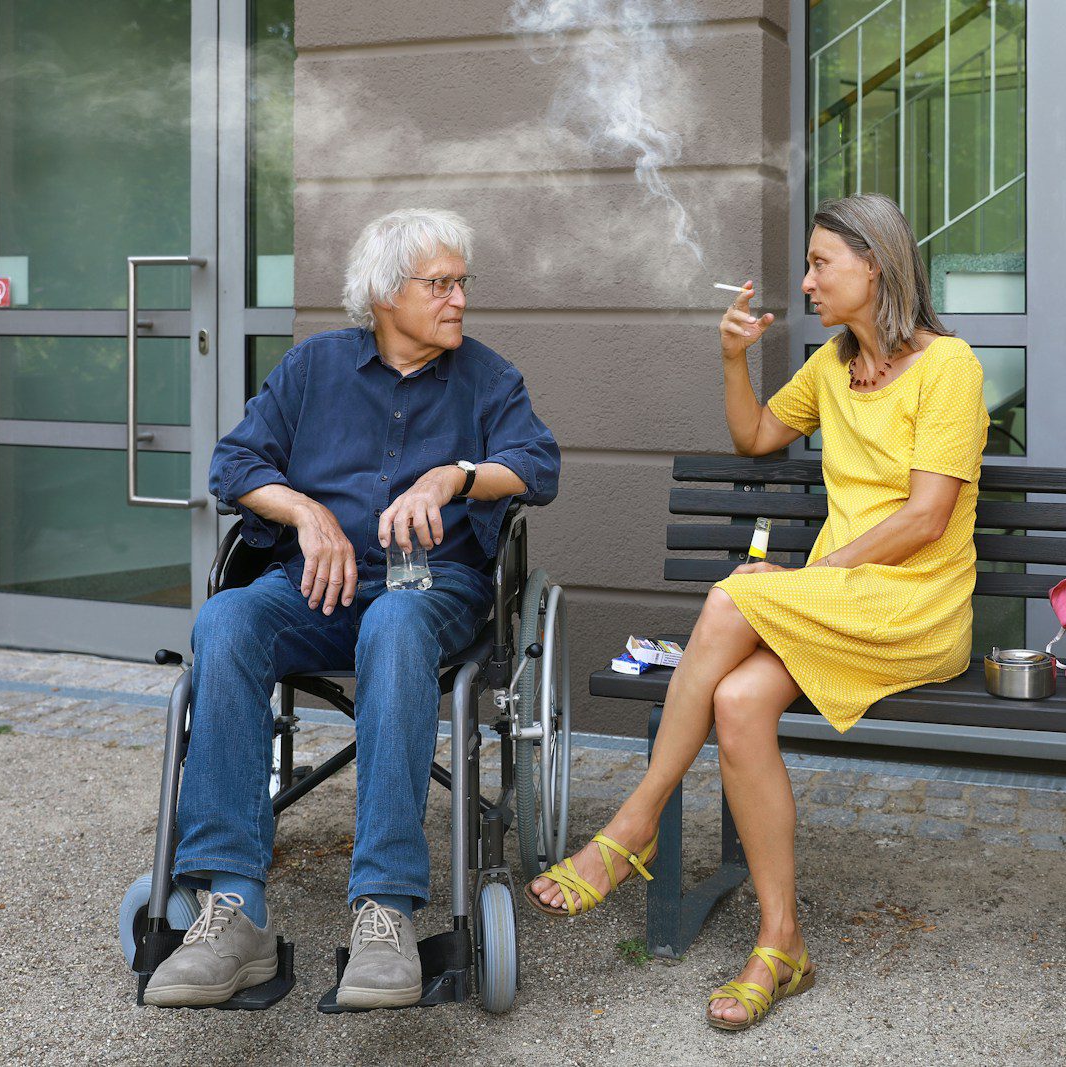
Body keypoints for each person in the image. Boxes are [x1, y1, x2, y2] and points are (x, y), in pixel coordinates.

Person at [526, 193, 988, 1030]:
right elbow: (755, 438)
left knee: (733, 589)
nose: (807, 281)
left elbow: (925, 518)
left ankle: (635, 821)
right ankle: (783, 944)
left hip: (915, 606)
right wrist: (734, 359)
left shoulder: (950, 369)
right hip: (842, 601)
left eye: (821, 264)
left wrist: (810, 579)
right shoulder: (837, 365)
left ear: (874, 267)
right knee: (738, 702)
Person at [145, 207, 560, 1009]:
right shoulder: (313, 369)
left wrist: (455, 477)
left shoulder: (488, 377)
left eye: (461, 282)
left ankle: (386, 908)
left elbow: (536, 466)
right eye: (438, 284)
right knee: (225, 619)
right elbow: (234, 465)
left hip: (430, 588)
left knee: (394, 622)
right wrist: (304, 512)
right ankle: (233, 910)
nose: (458, 300)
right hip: (315, 585)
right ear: (382, 295)